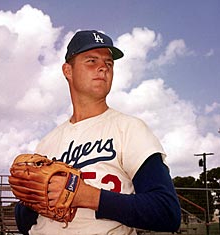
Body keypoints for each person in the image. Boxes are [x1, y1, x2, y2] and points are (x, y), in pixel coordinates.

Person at [13, 30, 181, 235]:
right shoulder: (46, 143)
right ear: (68, 70)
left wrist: (84, 195)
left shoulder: (129, 129)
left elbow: (166, 212)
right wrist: (30, 202)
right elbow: (24, 224)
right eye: (91, 60)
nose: (103, 67)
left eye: (108, 63)